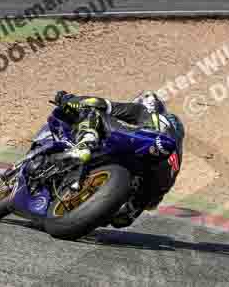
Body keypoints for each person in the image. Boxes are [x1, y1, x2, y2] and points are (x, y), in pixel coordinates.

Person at [52, 90, 185, 227]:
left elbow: (102, 104)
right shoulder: (176, 147)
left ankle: (85, 143)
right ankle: (129, 210)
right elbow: (153, 203)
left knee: (94, 112)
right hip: (156, 185)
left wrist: (69, 99)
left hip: (144, 145)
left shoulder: (145, 109)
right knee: (121, 219)